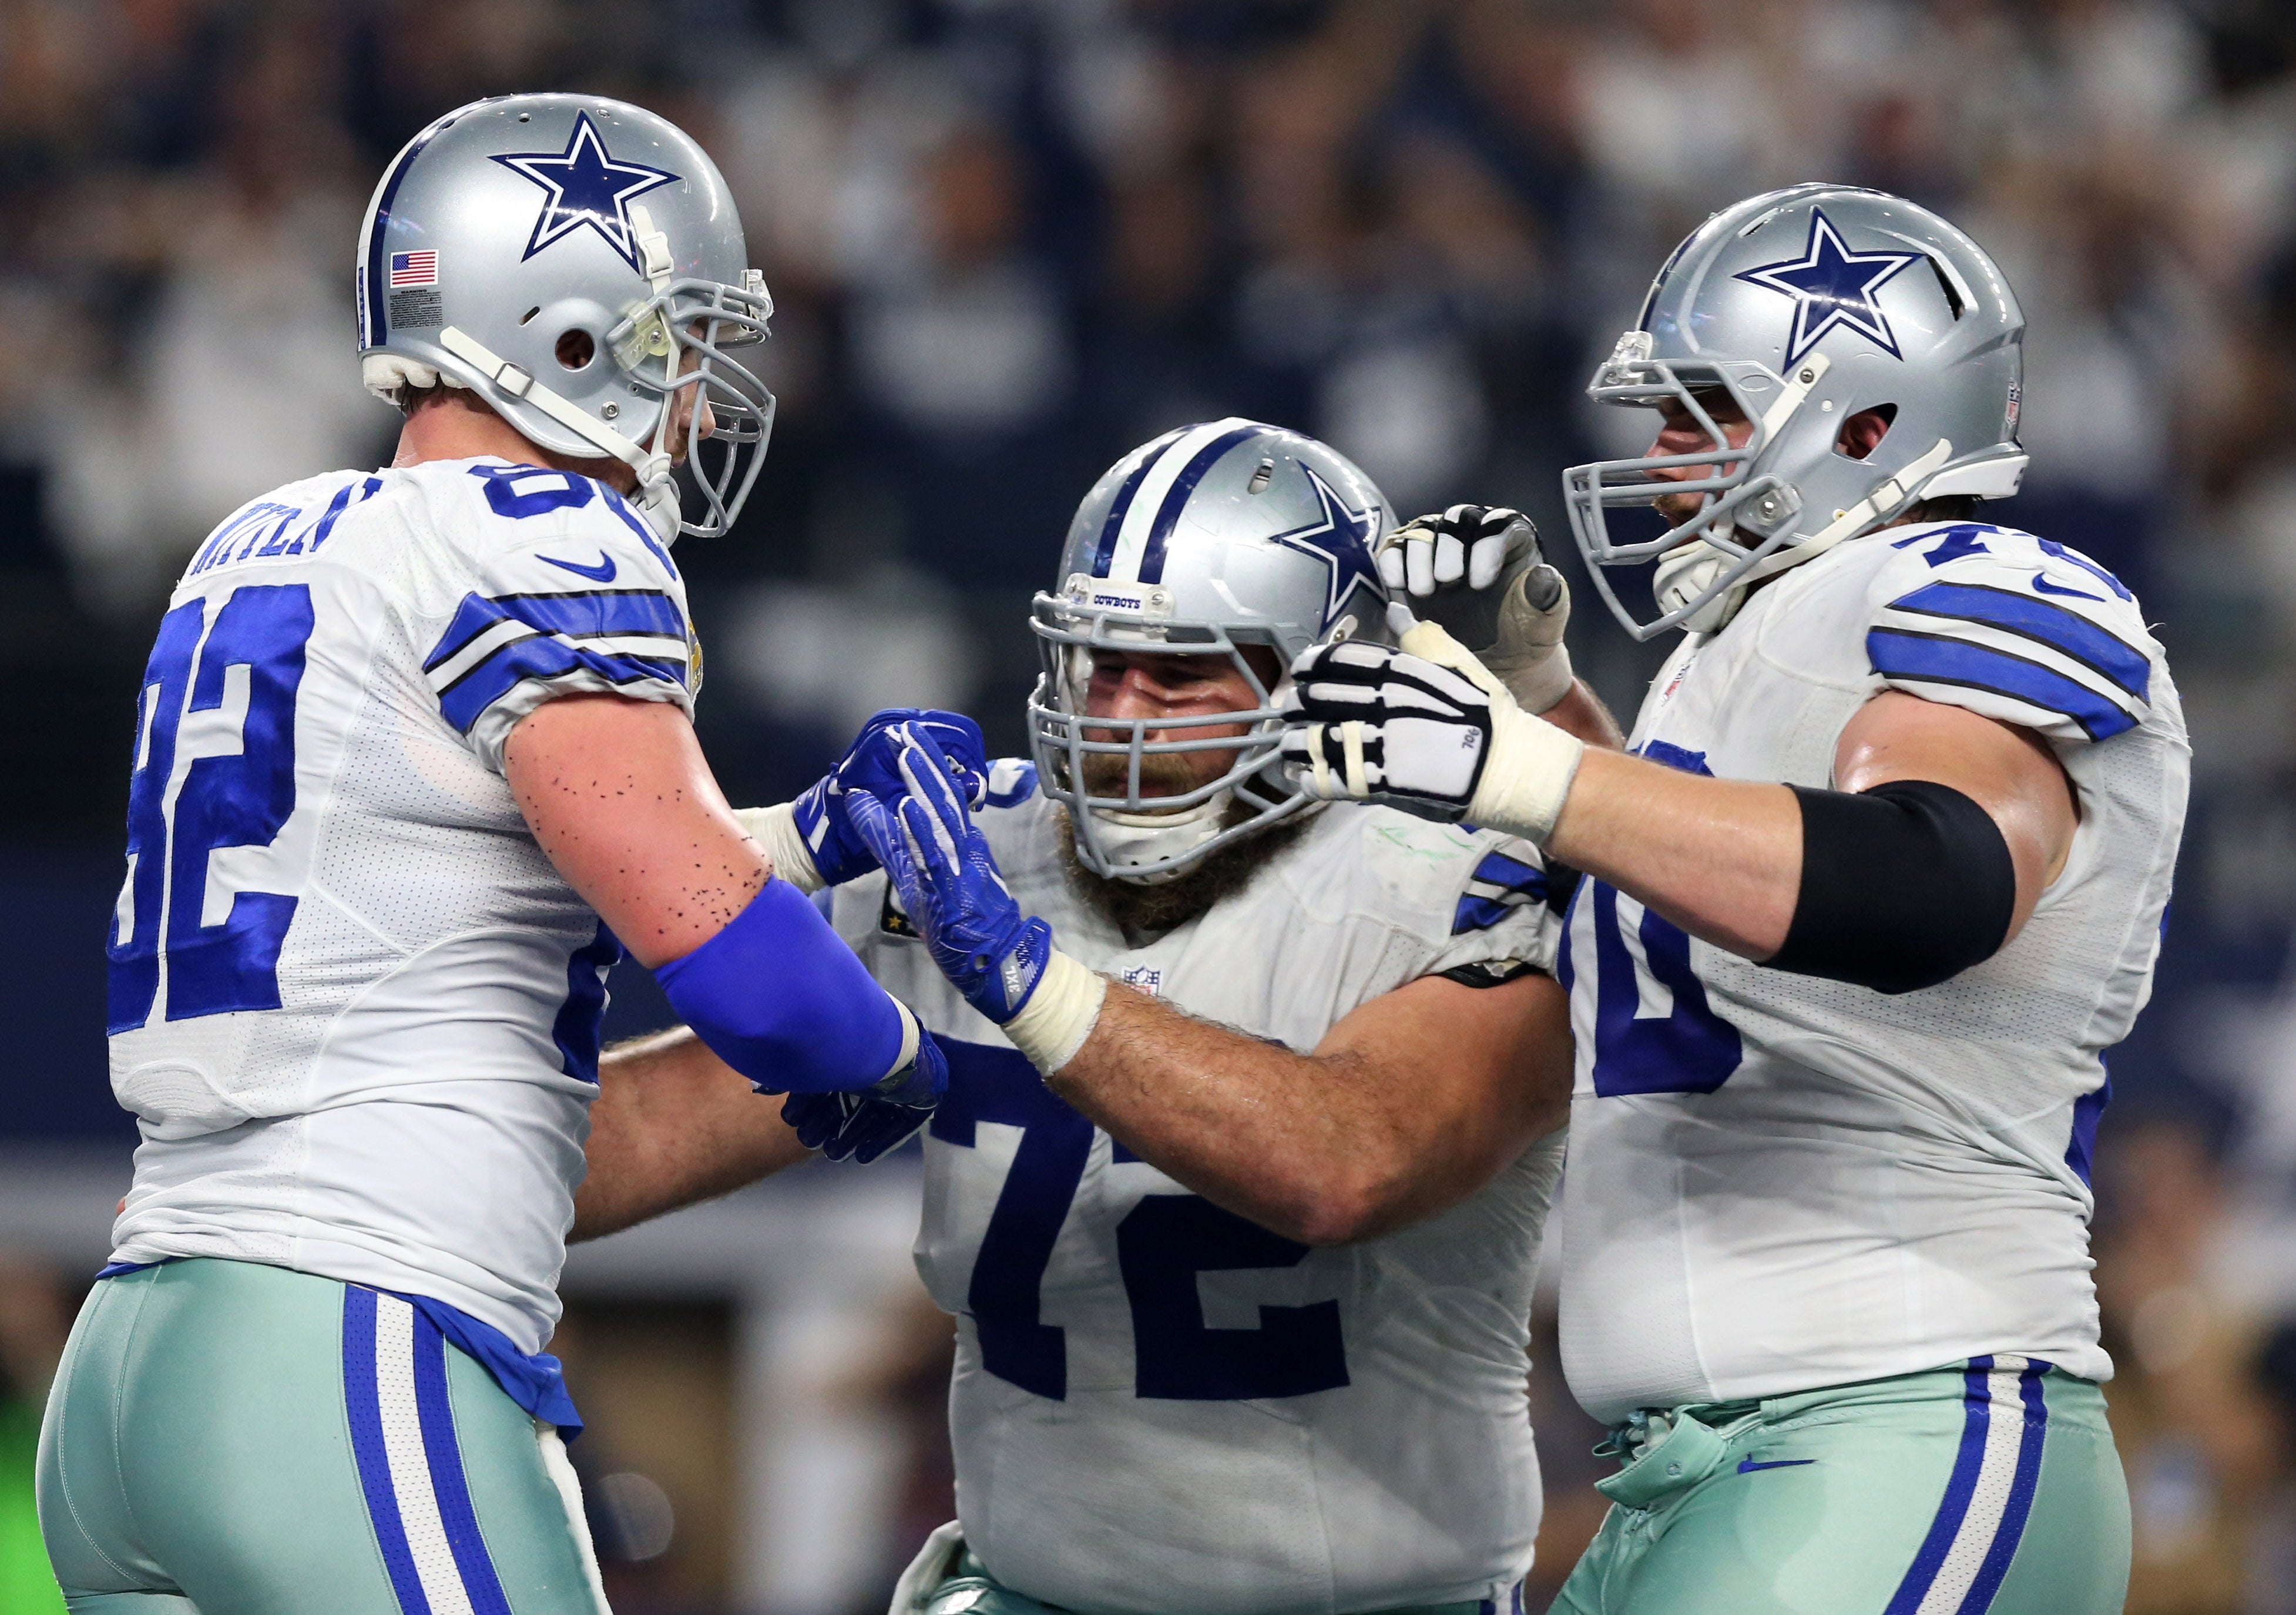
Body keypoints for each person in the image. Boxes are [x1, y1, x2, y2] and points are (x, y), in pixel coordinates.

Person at [38, 93, 962, 1615]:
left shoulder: (266, 541)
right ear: (571, 333)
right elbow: (744, 972)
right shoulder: (545, 535)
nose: (699, 398)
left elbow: (463, 970)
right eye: (674, 340)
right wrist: (900, 1046)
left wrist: (806, 841)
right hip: (347, 1352)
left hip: (136, 1366)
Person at [1283, 184, 2190, 1614]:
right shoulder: (1755, 637)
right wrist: (1547, 708)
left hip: (1895, 1414)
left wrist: (1522, 769)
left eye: (1699, 410)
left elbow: (1924, 881)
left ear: (1867, 423)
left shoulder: (1984, 575)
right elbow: (1692, 927)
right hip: (1700, 1472)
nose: (1656, 457)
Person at [572, 420, 1620, 1615]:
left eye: (1177, 674)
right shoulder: (987, 863)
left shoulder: (1454, 874)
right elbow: (636, 1143)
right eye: (1095, 662)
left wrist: (1028, 981)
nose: (1117, 713)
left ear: (1330, 682)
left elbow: (1352, 1159)